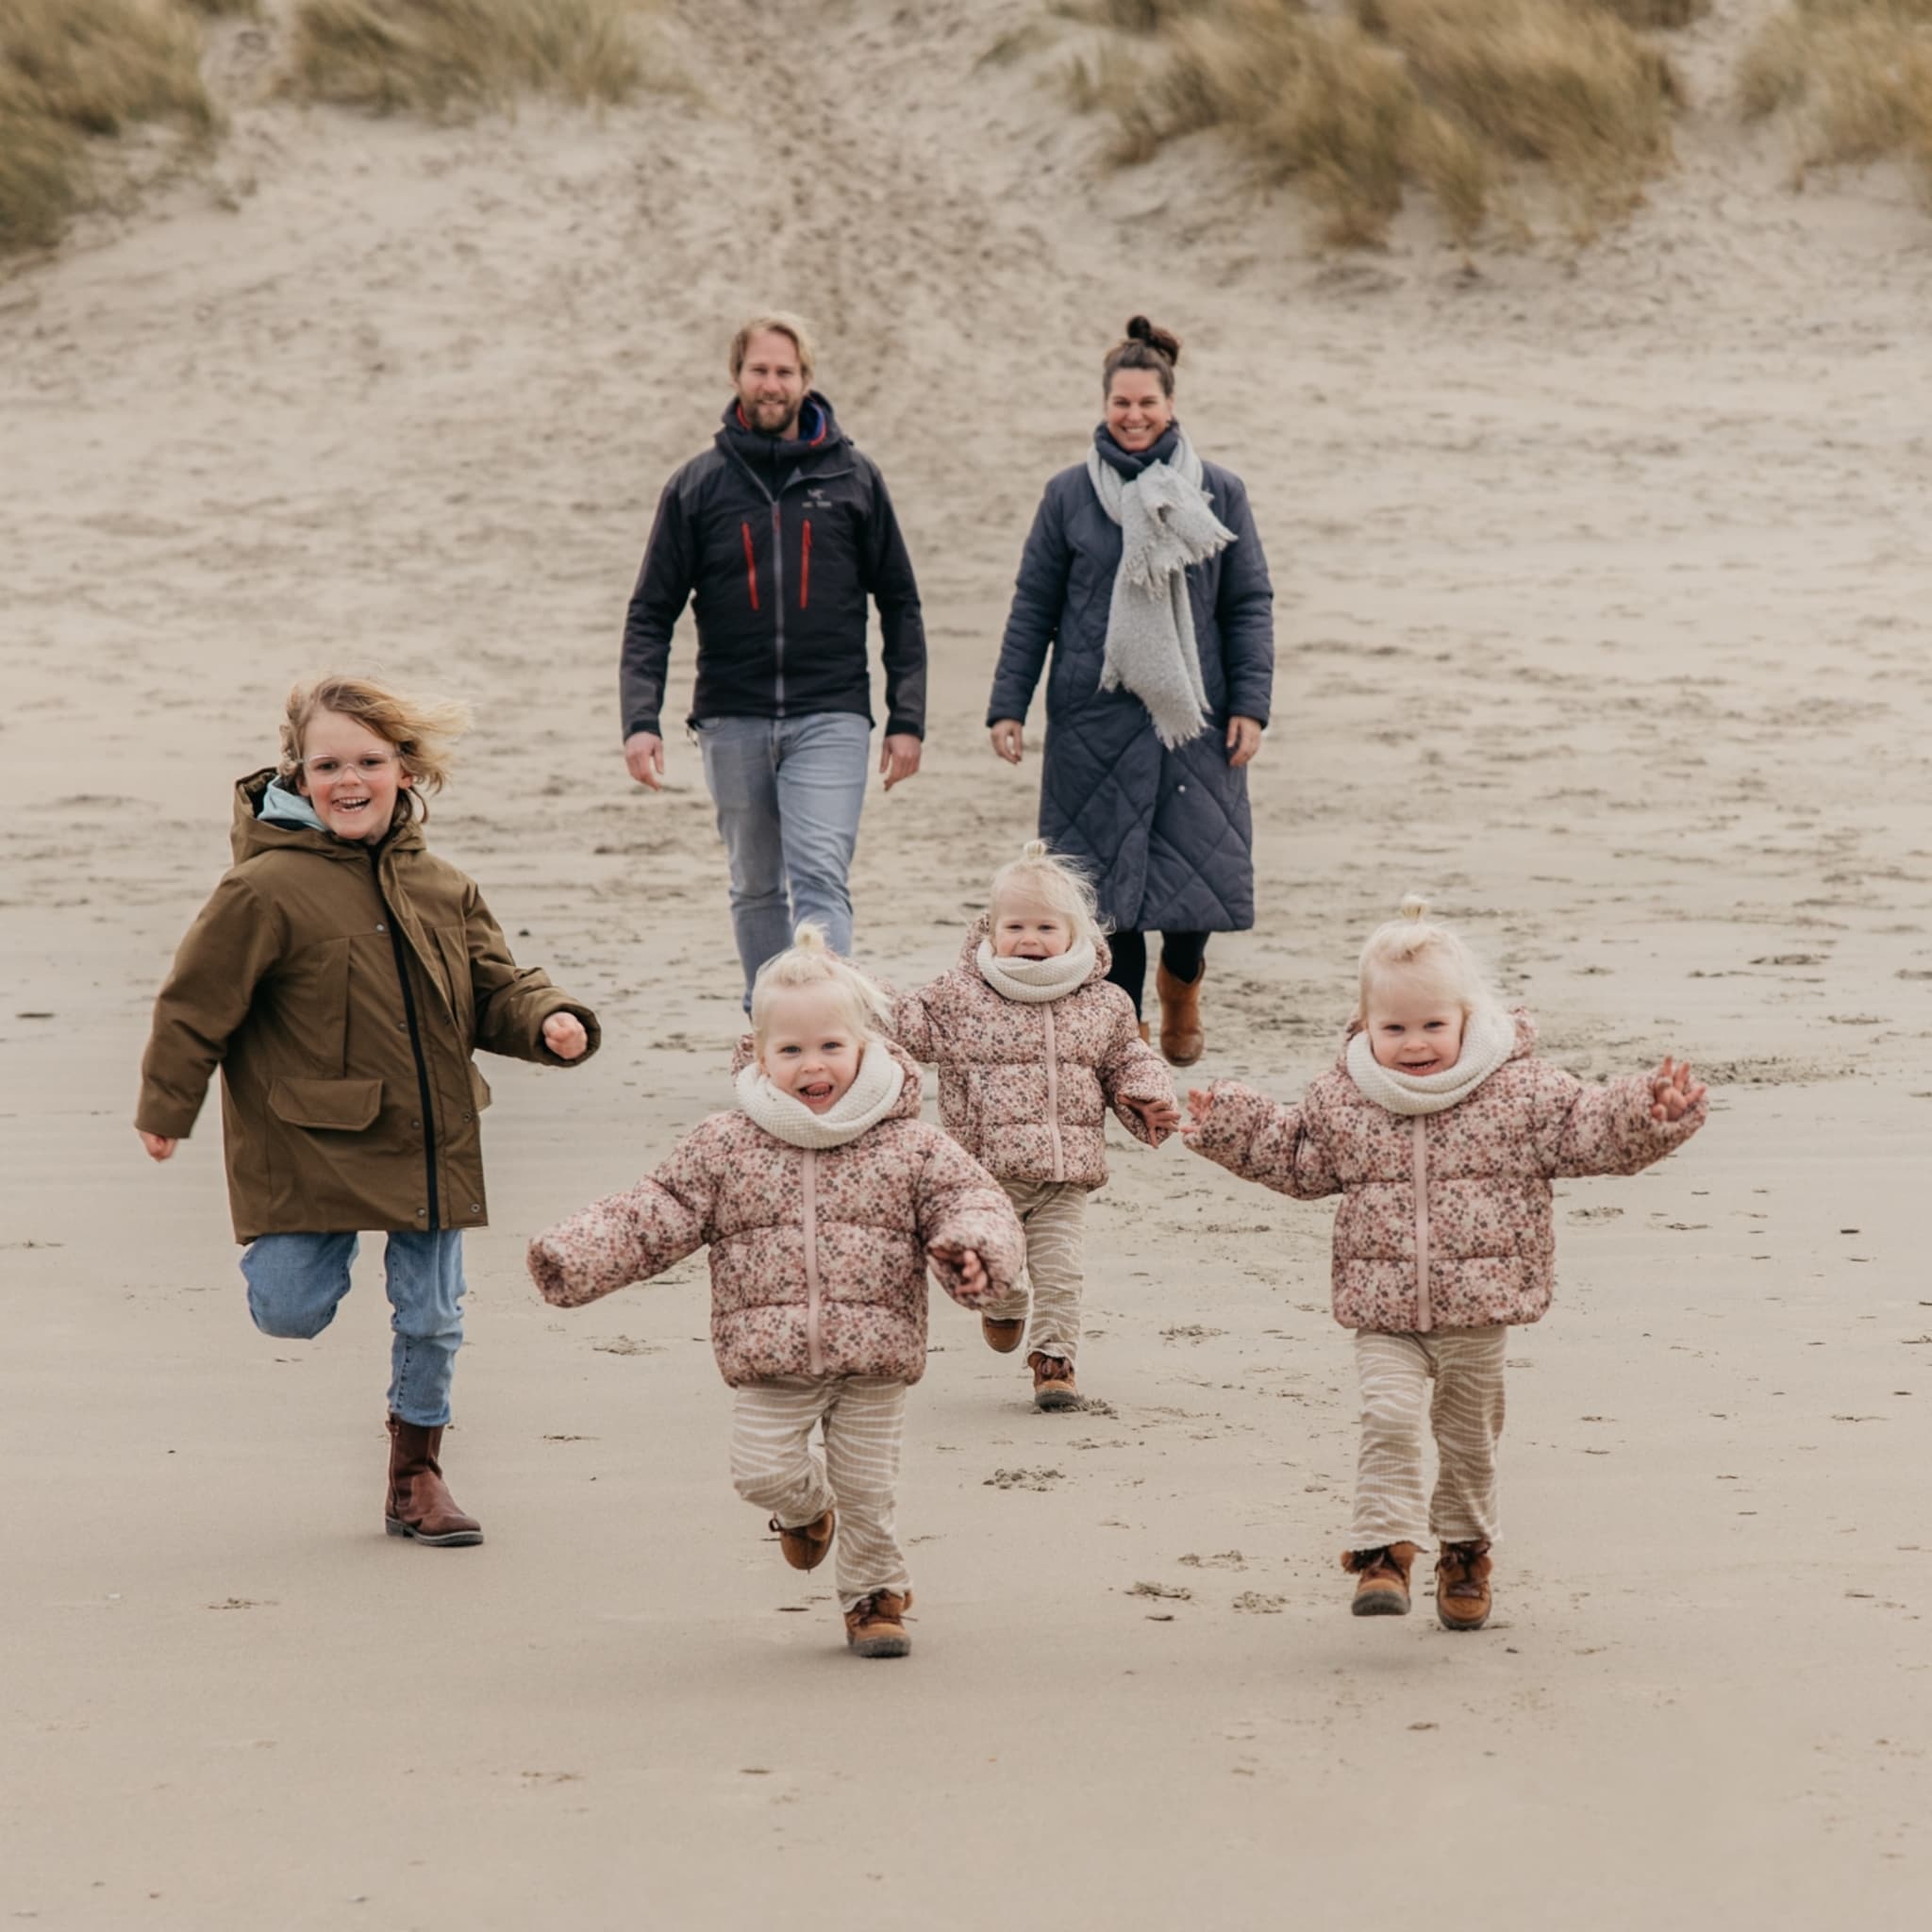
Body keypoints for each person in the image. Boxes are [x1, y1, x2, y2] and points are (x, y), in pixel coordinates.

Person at [134, 675, 600, 1547]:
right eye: (328, 764)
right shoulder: (262, 891)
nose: (350, 780)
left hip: (430, 1135)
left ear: (406, 770)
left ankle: (414, 1474)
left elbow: (494, 985)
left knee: (432, 1314)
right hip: (309, 1144)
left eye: (369, 762)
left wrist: (549, 1020)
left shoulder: (444, 886)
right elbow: (195, 1006)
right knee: (289, 1311)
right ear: (300, 776)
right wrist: (169, 1104)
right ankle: (335, 1235)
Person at [1181, 897, 1708, 1631]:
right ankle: (1384, 1552)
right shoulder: (1348, 1096)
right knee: (1388, 1415)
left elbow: (1585, 1129)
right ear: (1364, 1024)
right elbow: (1298, 1157)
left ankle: (1464, 1552)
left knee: (1467, 1443)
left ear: (1468, 1017)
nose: (1415, 1043)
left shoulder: (1519, 1090)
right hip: (1383, 1308)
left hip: (1480, 1310)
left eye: (1433, 1025)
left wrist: (1650, 1112)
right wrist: (1230, 1125)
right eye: (1393, 1027)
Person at [525, 926, 1023, 1659]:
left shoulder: (911, 1144)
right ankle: (805, 1508)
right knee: (760, 1470)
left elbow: (975, 1202)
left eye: (830, 1046)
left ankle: (874, 1594)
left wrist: (975, 1256)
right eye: (790, 1051)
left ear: (867, 1048)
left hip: (874, 1357)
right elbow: (655, 1210)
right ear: (759, 1055)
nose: (812, 1065)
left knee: (869, 1489)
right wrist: (576, 1254)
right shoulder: (727, 1143)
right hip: (770, 1356)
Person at [988, 315, 1274, 1069]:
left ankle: (1183, 988)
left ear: (1170, 405)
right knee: (1106, 899)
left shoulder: (1218, 492)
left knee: (1191, 888)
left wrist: (1250, 704)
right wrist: (1008, 704)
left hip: (1194, 716)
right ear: (1104, 404)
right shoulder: (1068, 496)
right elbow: (1034, 604)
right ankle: (1131, 1043)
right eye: (1122, 403)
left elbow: (1247, 603)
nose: (1134, 416)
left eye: (1147, 403)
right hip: (1094, 716)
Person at [620, 311, 928, 1007]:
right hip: (732, 717)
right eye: (758, 370)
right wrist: (641, 720)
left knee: (819, 874)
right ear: (737, 378)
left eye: (784, 371)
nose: (771, 383)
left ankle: (829, 1024)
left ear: (806, 380)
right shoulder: (698, 486)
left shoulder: (854, 478)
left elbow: (901, 603)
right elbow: (650, 613)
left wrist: (908, 718)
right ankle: (772, 1031)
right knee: (756, 884)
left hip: (832, 713)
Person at [885, 840, 1178, 1410]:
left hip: (1065, 1175)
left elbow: (1129, 1060)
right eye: (1015, 926)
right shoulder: (961, 996)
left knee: (1062, 1274)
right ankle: (1004, 1303)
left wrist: (1145, 1098)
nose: (1030, 940)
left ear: (1076, 936)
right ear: (990, 932)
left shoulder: (1103, 1004)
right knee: (1002, 1267)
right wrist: (847, 992)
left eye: (1046, 928)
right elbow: (907, 1022)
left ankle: (1054, 1362)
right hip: (985, 1176)